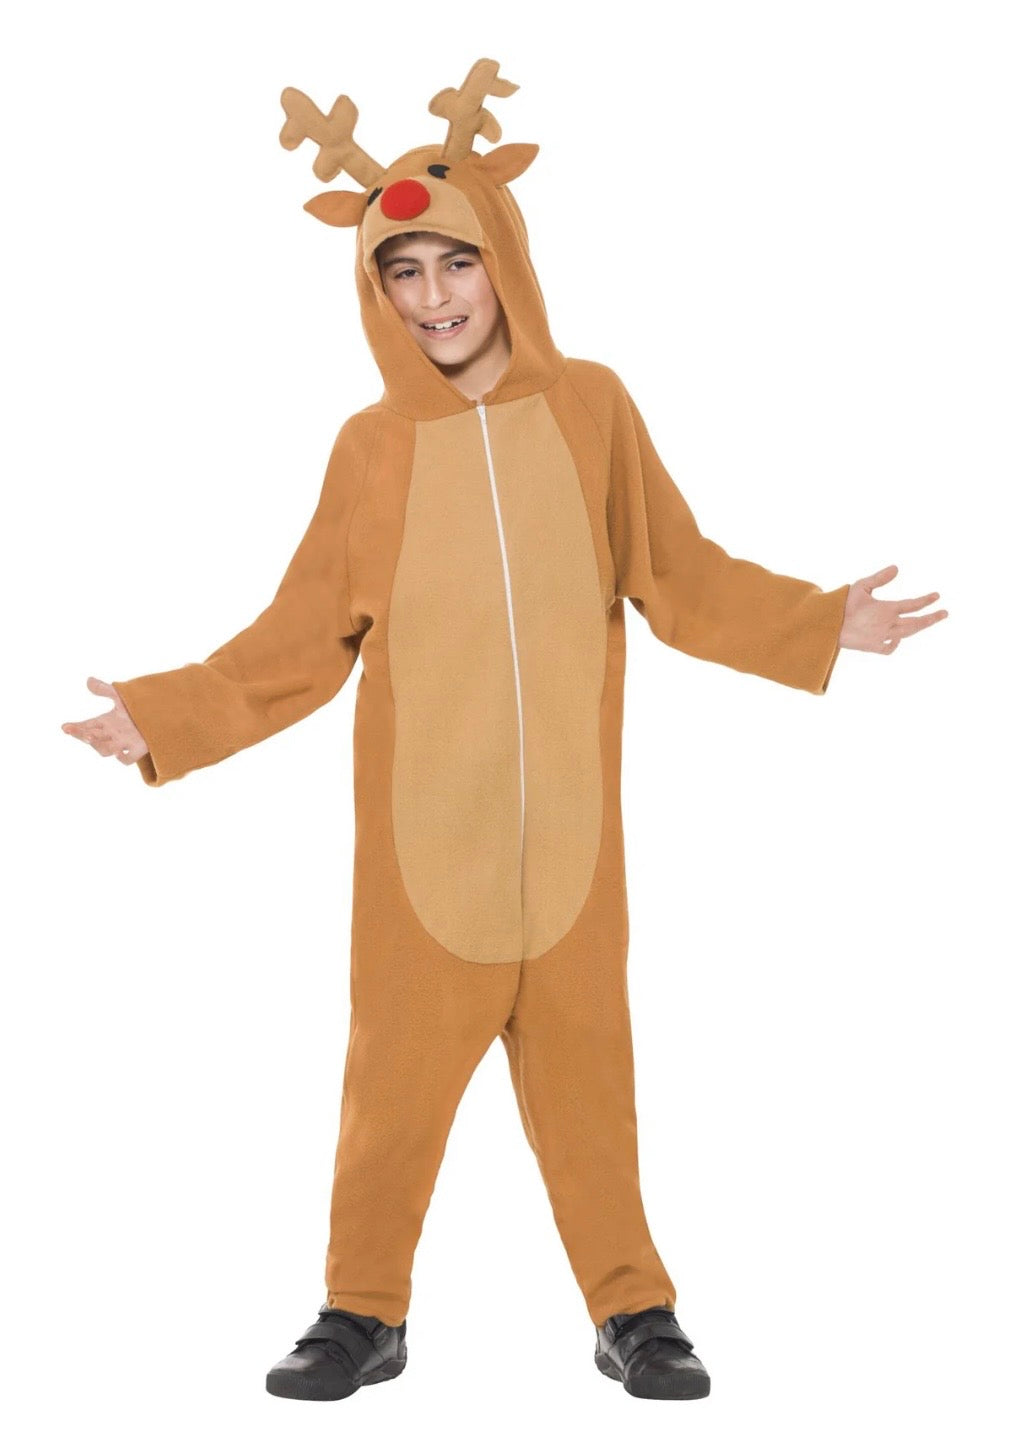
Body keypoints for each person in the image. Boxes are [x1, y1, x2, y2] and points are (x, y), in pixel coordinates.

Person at [61, 59, 947, 1403]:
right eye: (401, 275)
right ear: (375, 295)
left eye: (454, 264)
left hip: (571, 852)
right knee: (393, 1094)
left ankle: (634, 1308)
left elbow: (677, 574)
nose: (433, 298)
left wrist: (820, 622)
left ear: (505, 261)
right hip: (426, 851)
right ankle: (361, 1311)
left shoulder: (591, 410)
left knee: (592, 1088)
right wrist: (164, 714)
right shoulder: (372, 450)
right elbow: (300, 638)